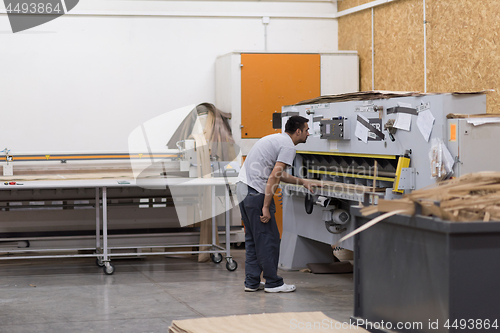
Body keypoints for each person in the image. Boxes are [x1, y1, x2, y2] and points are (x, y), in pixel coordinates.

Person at [236, 115, 316, 293]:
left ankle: (252, 282)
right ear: (298, 131)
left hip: (243, 189)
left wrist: (302, 181)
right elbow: (273, 177)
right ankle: (273, 283)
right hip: (256, 193)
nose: (308, 134)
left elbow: (277, 174)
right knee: (268, 239)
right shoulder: (288, 146)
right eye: (306, 130)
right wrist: (265, 206)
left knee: (253, 240)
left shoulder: (275, 139)